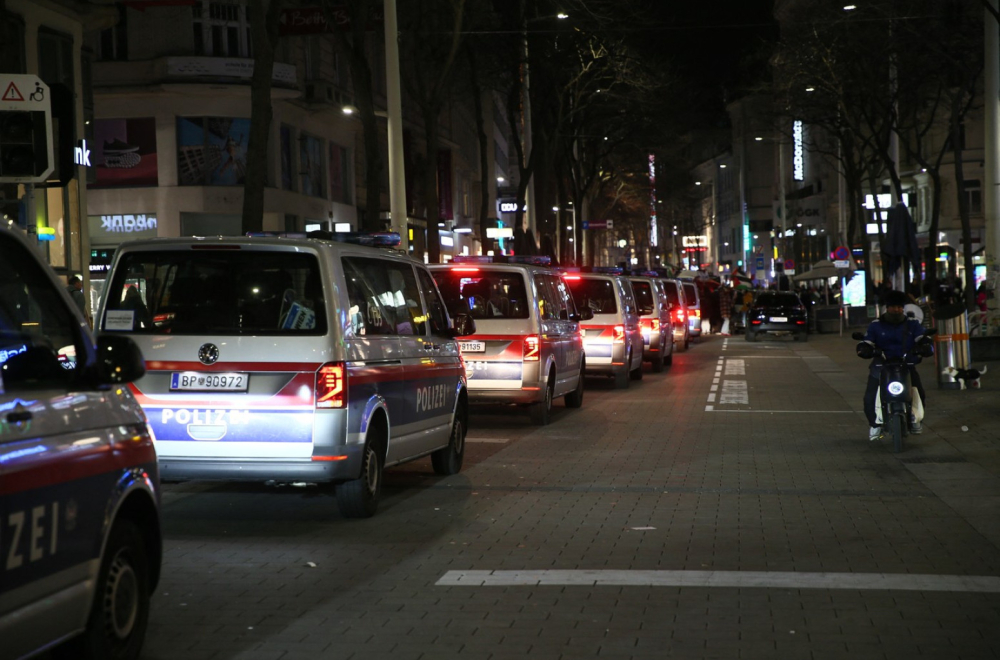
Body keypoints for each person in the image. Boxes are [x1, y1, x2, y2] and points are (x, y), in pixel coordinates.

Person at [858, 289, 931, 441]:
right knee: (869, 397)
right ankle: (875, 424)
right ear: (887, 307)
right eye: (893, 307)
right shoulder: (876, 325)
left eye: (899, 307)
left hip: (907, 364)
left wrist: (924, 345)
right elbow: (867, 340)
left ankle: (916, 419)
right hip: (881, 365)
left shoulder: (912, 324)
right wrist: (865, 348)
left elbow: (922, 337)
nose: (896, 310)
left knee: (919, 392)